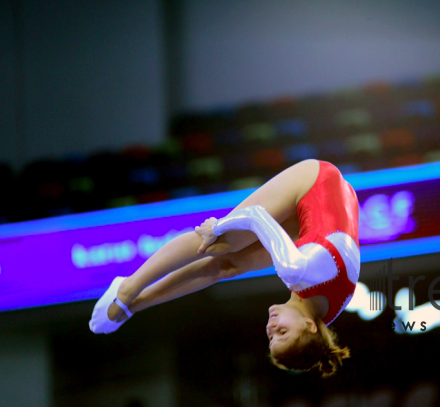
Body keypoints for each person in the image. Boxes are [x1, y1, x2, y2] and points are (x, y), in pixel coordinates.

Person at [89, 159, 360, 377]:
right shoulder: (296, 270)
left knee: (227, 267)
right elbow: (256, 217)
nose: (270, 328)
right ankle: (127, 288)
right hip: (316, 181)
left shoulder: (323, 313)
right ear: (310, 326)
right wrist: (216, 227)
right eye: (282, 332)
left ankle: (135, 306)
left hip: (329, 217)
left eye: (271, 337)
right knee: (223, 243)